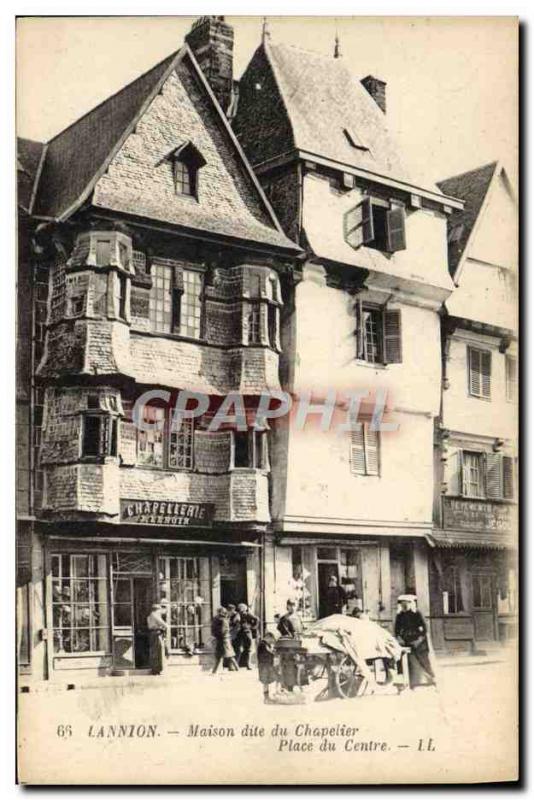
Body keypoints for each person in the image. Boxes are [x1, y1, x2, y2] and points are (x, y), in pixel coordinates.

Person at [394, 594, 436, 688]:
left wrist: (418, 640)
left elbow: (424, 629)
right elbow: (397, 630)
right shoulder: (400, 615)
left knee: (423, 660)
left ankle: (431, 679)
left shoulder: (417, 614)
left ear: (411, 604)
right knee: (407, 661)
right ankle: (411, 682)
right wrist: (399, 639)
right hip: (406, 642)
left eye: (406, 603)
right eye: (402, 604)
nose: (404, 605)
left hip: (419, 642)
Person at [211, 607, 239, 674]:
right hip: (222, 639)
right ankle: (214, 671)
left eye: (219, 612)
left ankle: (214, 671)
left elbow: (223, 631)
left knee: (228, 656)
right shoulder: (219, 619)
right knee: (224, 656)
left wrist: (216, 635)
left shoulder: (223, 620)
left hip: (223, 640)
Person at [234, 603, 259, 670]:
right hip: (239, 633)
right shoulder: (238, 614)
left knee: (248, 649)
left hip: (247, 632)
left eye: (241, 608)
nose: (240, 609)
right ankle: (236, 664)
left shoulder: (248, 614)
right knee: (238, 648)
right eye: (239, 608)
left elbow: (256, 619)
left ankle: (248, 664)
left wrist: (252, 626)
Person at [147, 603, 169, 675]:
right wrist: (164, 627)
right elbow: (164, 625)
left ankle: (154, 668)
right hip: (157, 634)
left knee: (153, 651)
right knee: (158, 651)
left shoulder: (149, 616)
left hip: (151, 634)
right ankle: (158, 669)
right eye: (159, 609)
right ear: (157, 610)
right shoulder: (155, 615)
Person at [257, 632, 279, 703]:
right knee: (265, 682)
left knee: (268, 681)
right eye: (271, 640)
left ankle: (268, 697)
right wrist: (274, 653)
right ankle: (266, 698)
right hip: (264, 666)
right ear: (268, 637)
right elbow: (268, 653)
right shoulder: (262, 644)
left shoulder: (266, 644)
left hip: (266, 665)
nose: (272, 641)